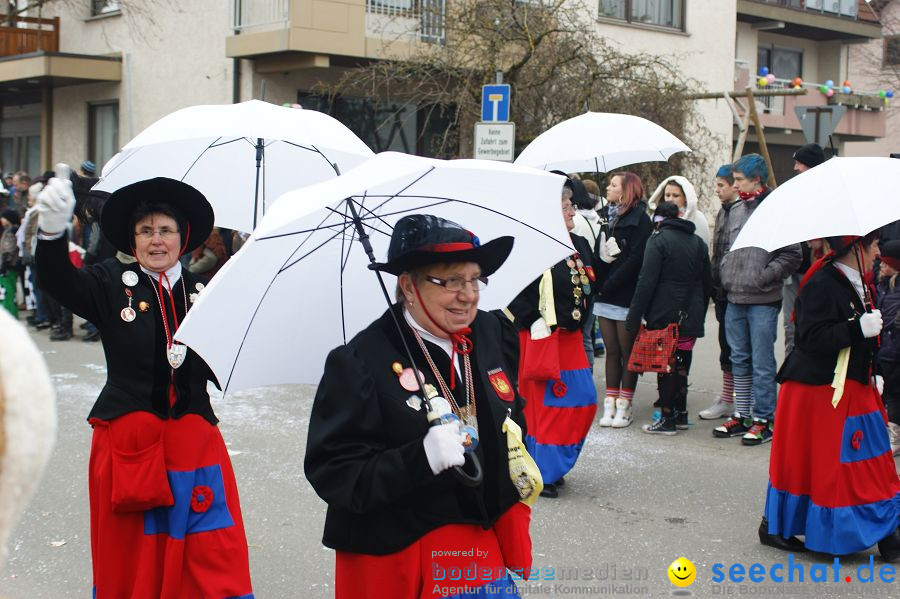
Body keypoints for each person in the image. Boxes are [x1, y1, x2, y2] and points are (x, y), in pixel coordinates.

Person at [35, 170, 254, 598]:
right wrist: (50, 234)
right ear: (132, 241)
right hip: (130, 449)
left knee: (212, 552)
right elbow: (58, 279)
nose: (157, 240)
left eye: (166, 230)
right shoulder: (108, 284)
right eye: (146, 230)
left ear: (182, 236)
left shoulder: (206, 292)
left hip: (195, 447)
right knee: (135, 560)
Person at [305, 214, 532, 598]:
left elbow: (512, 410)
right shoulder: (360, 361)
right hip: (402, 551)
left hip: (479, 536)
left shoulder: (491, 333)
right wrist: (420, 457)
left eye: (474, 279)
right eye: (452, 281)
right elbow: (335, 473)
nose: (469, 294)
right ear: (409, 286)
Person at [760, 233, 900, 563]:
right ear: (856, 248)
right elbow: (810, 337)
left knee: (870, 458)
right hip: (819, 388)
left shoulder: (859, 280)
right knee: (825, 462)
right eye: (874, 244)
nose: (880, 251)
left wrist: (874, 366)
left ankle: (885, 528)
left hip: (854, 384)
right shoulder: (822, 282)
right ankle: (777, 526)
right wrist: (857, 328)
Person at [508, 189, 598, 498]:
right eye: (566, 206)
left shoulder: (580, 244)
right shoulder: (531, 246)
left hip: (571, 338)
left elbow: (590, 284)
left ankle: (553, 464)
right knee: (544, 408)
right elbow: (512, 290)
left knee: (583, 401)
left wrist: (610, 260)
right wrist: (531, 317)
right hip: (542, 337)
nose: (573, 211)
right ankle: (541, 471)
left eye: (571, 204)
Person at [714, 154, 802, 445]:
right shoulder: (736, 209)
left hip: (763, 299)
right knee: (739, 358)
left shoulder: (776, 209)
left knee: (762, 361)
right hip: (735, 295)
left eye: (739, 180)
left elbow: (793, 254)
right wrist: (725, 275)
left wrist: (764, 276)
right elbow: (725, 247)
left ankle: (765, 418)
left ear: (757, 180)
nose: (735, 185)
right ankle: (743, 413)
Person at [626, 201, 712, 434]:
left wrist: (633, 318)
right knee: (682, 363)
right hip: (690, 315)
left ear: (659, 220)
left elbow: (646, 282)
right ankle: (681, 413)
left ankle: (667, 418)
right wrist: (700, 314)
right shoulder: (698, 243)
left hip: (664, 315)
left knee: (666, 365)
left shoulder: (658, 240)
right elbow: (707, 283)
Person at [594, 171, 652, 429]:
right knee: (611, 351)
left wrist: (610, 282)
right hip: (605, 293)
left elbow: (636, 259)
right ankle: (610, 402)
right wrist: (603, 257)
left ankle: (624, 406)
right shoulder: (606, 216)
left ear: (627, 190)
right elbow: (601, 253)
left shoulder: (641, 219)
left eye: (613, 185)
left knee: (627, 351)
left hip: (626, 294)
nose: (608, 188)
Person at [700, 164, 739, 420]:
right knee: (725, 347)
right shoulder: (723, 212)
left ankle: (736, 399)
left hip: (735, 289)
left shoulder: (740, 212)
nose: (716, 191)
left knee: (737, 350)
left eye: (720, 186)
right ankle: (727, 396)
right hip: (721, 291)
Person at [877, 240, 900, 456]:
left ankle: (895, 434)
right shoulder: (882, 286)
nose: (881, 265)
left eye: (886, 262)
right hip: (885, 349)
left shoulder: (894, 290)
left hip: (894, 349)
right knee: (889, 393)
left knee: (894, 393)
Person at [647, 175, 710, 247]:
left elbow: (703, 248)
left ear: (685, 197)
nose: (670, 199)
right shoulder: (656, 217)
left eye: (675, 195)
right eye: (667, 195)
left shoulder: (698, 218)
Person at [0, 209, 21, 317]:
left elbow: (9, 249)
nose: (1, 220)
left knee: (8, 292)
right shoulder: (8, 230)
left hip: (9, 266)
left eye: (3, 217)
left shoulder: (12, 231)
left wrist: (4, 264)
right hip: (8, 265)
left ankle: (10, 314)